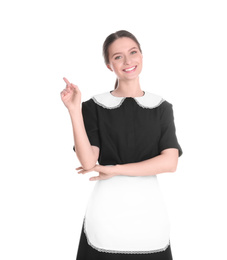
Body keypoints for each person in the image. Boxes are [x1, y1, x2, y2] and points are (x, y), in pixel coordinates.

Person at [60, 30, 182, 260]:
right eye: (118, 56)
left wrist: (114, 169)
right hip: (106, 215)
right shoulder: (94, 106)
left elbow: (170, 162)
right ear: (109, 65)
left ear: (142, 56)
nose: (128, 61)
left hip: (149, 215)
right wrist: (74, 111)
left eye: (133, 52)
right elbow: (88, 161)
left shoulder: (162, 107)